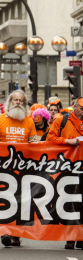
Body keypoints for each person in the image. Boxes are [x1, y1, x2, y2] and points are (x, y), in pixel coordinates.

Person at [0, 90, 38, 247]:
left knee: (21, 202)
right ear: (9, 102)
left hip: (23, 169)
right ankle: (5, 231)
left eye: (21, 101)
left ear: (25, 104)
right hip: (3, 168)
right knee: (4, 201)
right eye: (15, 100)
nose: (18, 103)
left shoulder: (29, 122)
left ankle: (16, 234)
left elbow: (34, 142)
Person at [46, 97, 83, 249]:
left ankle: (80, 237)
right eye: (81, 108)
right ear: (74, 107)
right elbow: (50, 138)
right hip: (67, 169)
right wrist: (68, 141)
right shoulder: (61, 121)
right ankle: (70, 237)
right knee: (68, 203)